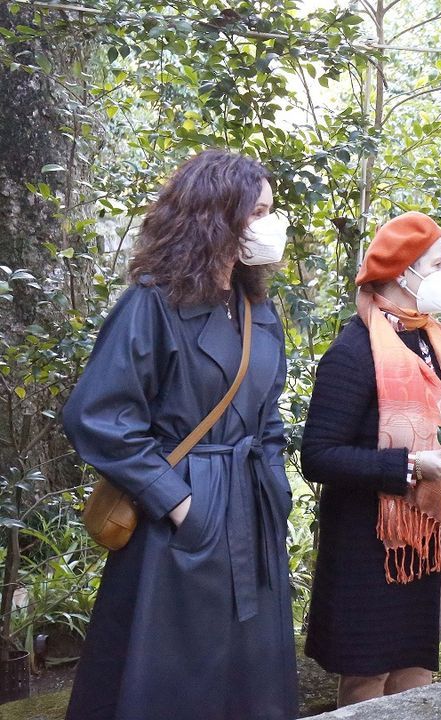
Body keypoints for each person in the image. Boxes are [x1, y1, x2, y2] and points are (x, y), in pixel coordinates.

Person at [62, 149, 296, 719]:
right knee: (173, 683)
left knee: (251, 683)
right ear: (218, 216)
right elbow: (99, 415)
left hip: (254, 515)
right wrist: (180, 502)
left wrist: (274, 489)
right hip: (180, 522)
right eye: (259, 211)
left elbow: (267, 415)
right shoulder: (152, 303)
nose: (272, 224)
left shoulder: (256, 309)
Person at [300, 212, 441, 706]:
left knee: (416, 670)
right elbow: (318, 456)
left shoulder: (430, 340)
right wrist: (408, 466)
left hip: (426, 540)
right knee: (368, 680)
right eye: (439, 265)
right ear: (405, 272)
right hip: (372, 544)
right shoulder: (355, 350)